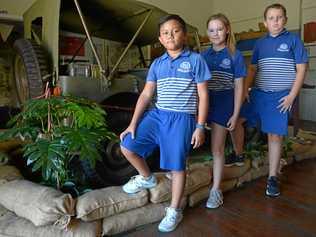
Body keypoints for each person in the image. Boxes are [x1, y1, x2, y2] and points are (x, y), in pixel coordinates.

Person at [119, 14, 211, 232]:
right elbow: (146, 94)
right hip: (158, 115)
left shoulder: (195, 60)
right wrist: (133, 123)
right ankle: (147, 178)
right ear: (160, 39)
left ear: (185, 35)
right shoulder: (157, 64)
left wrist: (200, 126)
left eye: (176, 30)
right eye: (166, 32)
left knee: (177, 166)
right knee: (127, 146)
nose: (171, 35)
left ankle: (174, 210)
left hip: (182, 118)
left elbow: (204, 96)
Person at [241, 3, 308, 197]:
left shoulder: (294, 40)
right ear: (265, 22)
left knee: (274, 135)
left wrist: (291, 96)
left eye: (279, 17)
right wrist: (246, 88)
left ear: (285, 19)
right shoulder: (260, 43)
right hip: (259, 93)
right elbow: (253, 69)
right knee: (235, 118)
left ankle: (272, 177)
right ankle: (237, 155)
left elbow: (301, 69)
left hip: (280, 96)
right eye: (271, 18)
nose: (275, 21)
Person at [201, 13, 247, 208]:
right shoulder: (203, 56)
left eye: (219, 29)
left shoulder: (234, 54)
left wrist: (235, 114)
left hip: (225, 101)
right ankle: (238, 153)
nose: (215, 33)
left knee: (217, 148)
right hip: (206, 101)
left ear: (227, 29)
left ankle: (216, 190)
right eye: (211, 30)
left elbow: (239, 87)